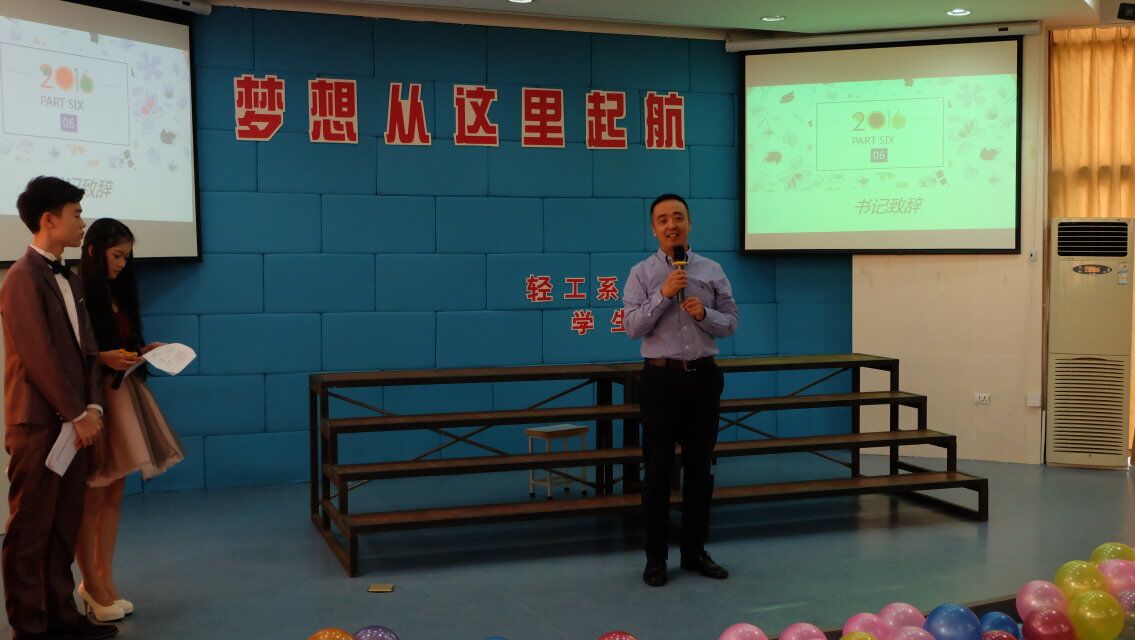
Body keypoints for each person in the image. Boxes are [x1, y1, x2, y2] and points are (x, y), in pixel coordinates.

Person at [1, 176, 117, 639]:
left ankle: (62, 618)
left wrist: (94, 405)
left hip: (74, 422)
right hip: (38, 424)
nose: (83, 223)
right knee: (30, 530)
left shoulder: (69, 278)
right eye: (76, 214)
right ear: (49, 220)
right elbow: (38, 356)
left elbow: (87, 350)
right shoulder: (20, 278)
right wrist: (78, 414)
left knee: (64, 524)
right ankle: (30, 627)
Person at [622, 193, 739, 587]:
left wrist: (705, 314)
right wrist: (664, 295)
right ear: (654, 229)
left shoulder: (712, 269)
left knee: (699, 471)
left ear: (689, 223)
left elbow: (731, 322)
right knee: (657, 473)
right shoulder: (641, 273)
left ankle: (694, 551)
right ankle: (656, 557)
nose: (671, 224)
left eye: (678, 217)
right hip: (661, 380)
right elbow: (632, 326)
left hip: (703, 379)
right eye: (663, 219)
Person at [74, 218, 184, 622]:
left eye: (127, 257)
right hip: (95, 399)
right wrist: (103, 357)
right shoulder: (77, 291)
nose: (122, 264)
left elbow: (122, 342)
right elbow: (68, 351)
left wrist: (144, 350)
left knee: (114, 491)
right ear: (94, 250)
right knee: (93, 492)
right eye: (117, 255)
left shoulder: (117, 291)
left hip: (123, 393)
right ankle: (90, 581)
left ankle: (104, 578)